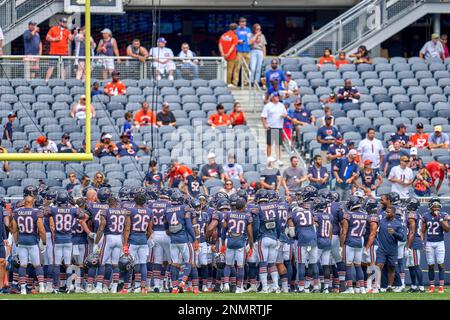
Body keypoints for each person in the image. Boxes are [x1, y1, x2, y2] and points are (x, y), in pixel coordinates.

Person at [11, 196, 47, 295]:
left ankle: (22, 288)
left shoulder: (17, 211)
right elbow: (41, 229)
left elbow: (14, 230)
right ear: (32, 202)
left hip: (22, 241)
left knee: (22, 265)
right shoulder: (36, 212)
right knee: (37, 265)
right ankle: (42, 287)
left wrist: (16, 241)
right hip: (32, 241)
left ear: (25, 202)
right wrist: (44, 242)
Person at [372, 206, 404, 293]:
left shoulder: (398, 224)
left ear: (393, 213)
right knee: (379, 266)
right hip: (381, 249)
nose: (386, 213)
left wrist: (394, 233)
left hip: (392, 250)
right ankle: (376, 286)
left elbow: (402, 238)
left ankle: (389, 286)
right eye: (386, 212)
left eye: (389, 212)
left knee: (392, 267)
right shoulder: (381, 222)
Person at [421, 198, 450, 293]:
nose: (436, 207)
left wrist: (441, 220)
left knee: (441, 264)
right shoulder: (425, 216)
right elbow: (423, 231)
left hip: (440, 243)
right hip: (429, 243)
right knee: (430, 265)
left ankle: (441, 286)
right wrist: (423, 242)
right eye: (435, 205)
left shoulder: (444, 215)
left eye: (438, 205)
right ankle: (432, 285)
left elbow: (447, 229)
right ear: (430, 206)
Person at [261, 93, 287, 165]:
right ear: (272, 97)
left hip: (279, 126)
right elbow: (263, 117)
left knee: (278, 144)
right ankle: (269, 157)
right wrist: (265, 125)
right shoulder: (267, 106)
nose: (277, 97)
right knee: (269, 143)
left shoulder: (281, 105)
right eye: (275, 96)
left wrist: (284, 115)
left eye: (278, 96)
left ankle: (278, 159)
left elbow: (285, 113)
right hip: (271, 126)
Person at [219, 23, 239, 87]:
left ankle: (222, 82)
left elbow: (220, 44)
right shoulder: (234, 36)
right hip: (231, 56)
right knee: (229, 70)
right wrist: (228, 54)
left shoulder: (223, 35)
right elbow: (233, 46)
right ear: (235, 29)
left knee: (222, 69)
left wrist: (222, 53)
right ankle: (228, 83)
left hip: (223, 56)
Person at [235, 17, 252, 87]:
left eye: (244, 22)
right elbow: (233, 39)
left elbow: (250, 38)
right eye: (241, 22)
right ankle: (235, 82)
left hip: (247, 50)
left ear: (245, 23)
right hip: (239, 50)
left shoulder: (248, 29)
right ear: (239, 23)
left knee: (246, 67)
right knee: (237, 67)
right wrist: (238, 41)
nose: (242, 23)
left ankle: (245, 82)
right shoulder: (236, 30)